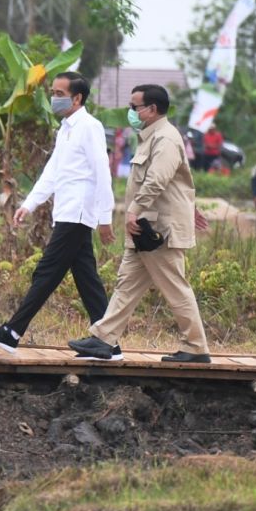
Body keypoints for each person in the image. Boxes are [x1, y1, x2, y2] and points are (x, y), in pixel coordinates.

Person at [69, 84, 212, 364]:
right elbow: (177, 183)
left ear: (152, 109)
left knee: (175, 287)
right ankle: (103, 339)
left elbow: (157, 179)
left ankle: (196, 347)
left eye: (134, 107)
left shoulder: (166, 139)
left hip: (159, 231)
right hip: (146, 229)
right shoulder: (151, 137)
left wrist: (134, 211)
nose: (130, 112)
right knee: (126, 284)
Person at [0, 72, 116, 355]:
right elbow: (52, 173)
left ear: (77, 99)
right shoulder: (66, 129)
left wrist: (106, 217)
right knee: (87, 278)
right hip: (66, 211)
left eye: (60, 94)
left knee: (47, 272)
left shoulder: (89, 127)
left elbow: (103, 173)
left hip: (78, 212)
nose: (54, 98)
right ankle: (108, 342)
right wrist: (29, 204)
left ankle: (12, 332)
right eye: (53, 92)